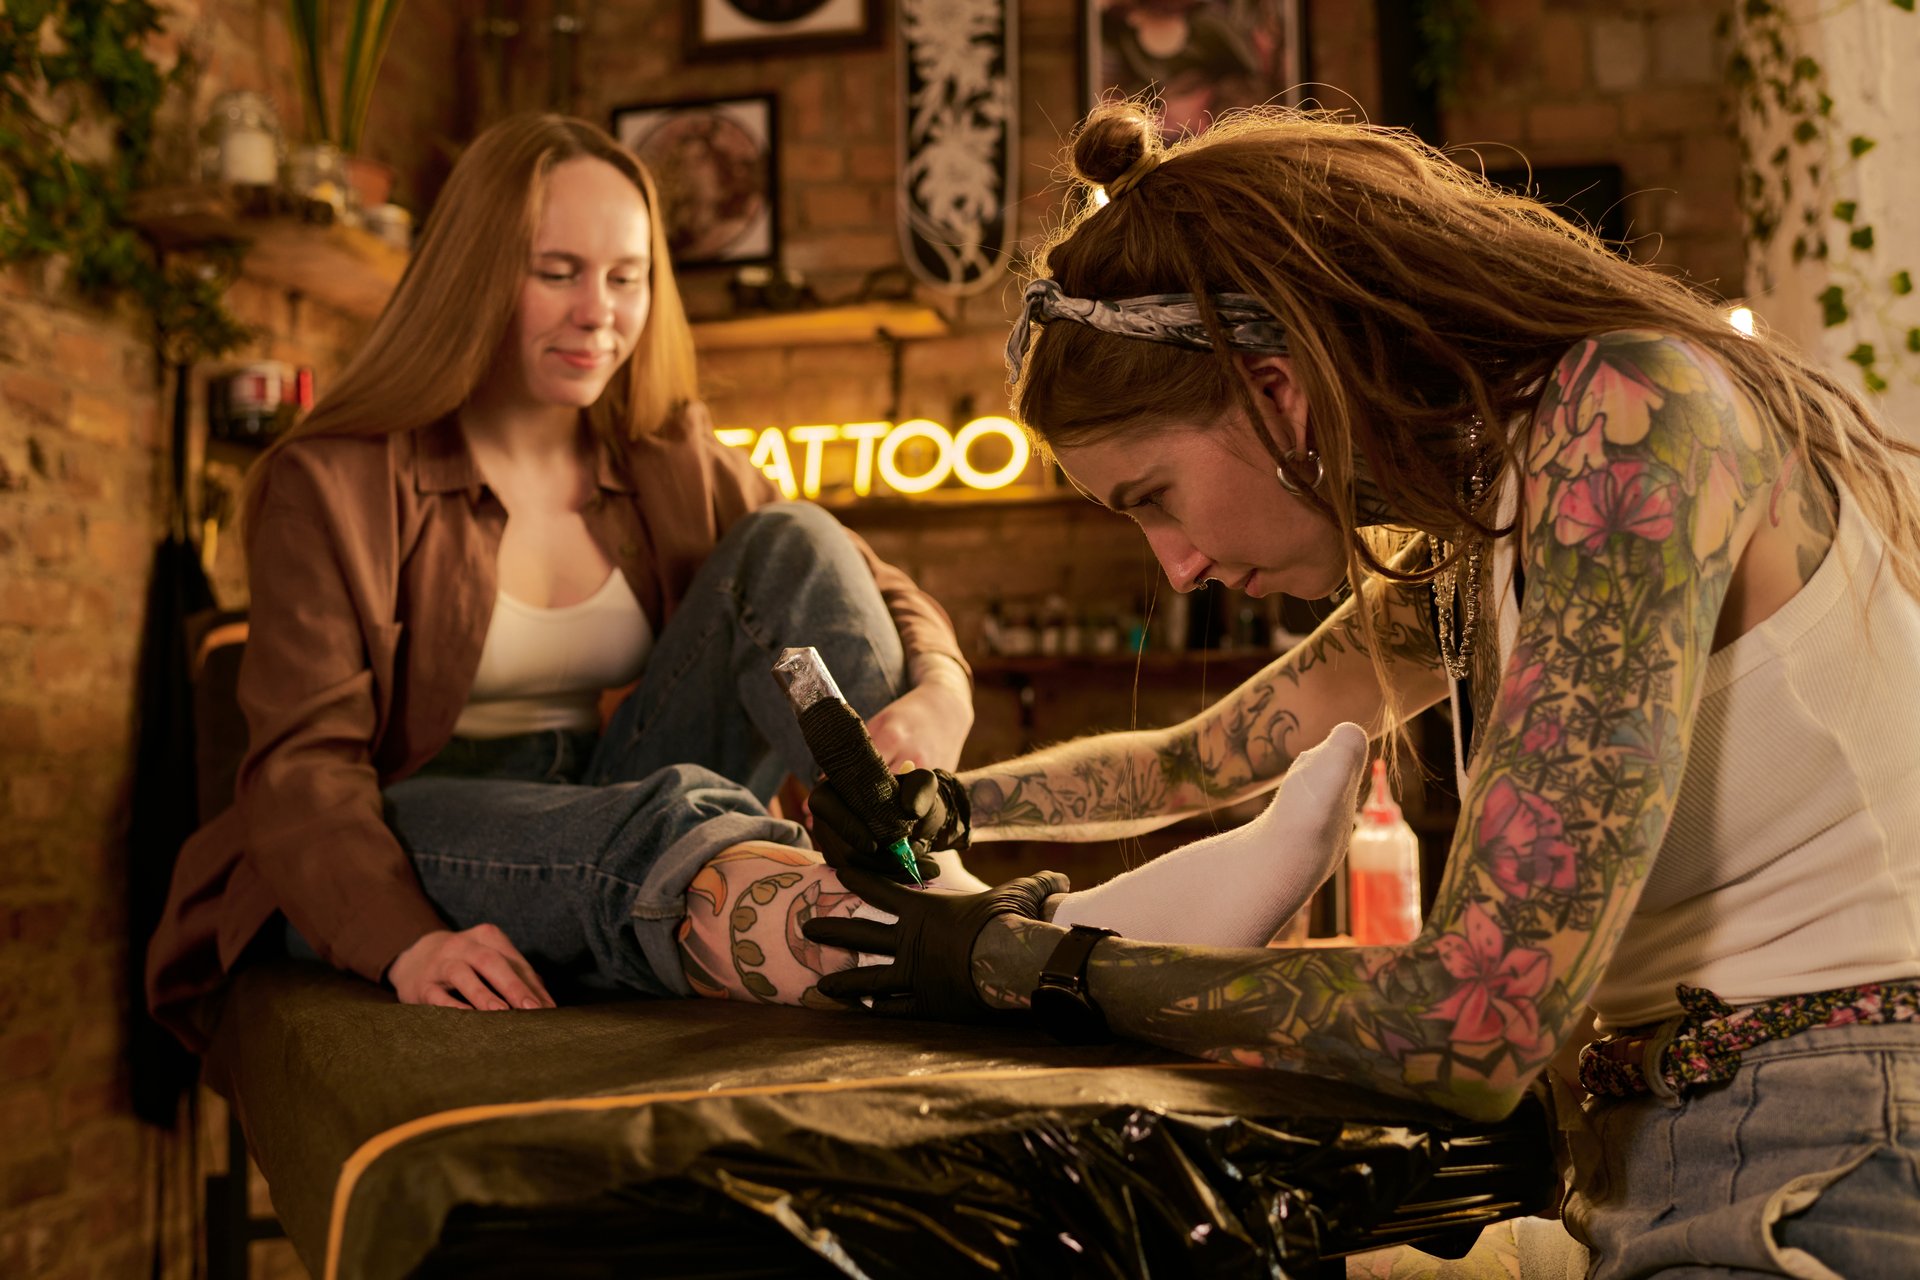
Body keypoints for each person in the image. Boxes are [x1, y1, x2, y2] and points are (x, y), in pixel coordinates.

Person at [803, 101, 1920, 1277]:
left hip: (1835, 1145)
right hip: (1688, 1143)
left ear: (1277, 392)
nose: (1175, 567)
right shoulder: (1491, 518)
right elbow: (1198, 758)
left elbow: (1476, 1018)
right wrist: (951, 802)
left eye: (1154, 497)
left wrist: (1026, 963)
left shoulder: (1625, 422)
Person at [143, 114, 1001, 1035]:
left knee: (794, 535)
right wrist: (407, 943)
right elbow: (303, 769)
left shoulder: (667, 458)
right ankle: (941, 940)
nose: (599, 313)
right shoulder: (332, 481)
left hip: (603, 788)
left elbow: (863, 579)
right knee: (666, 818)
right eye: (557, 273)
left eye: (626, 277)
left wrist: (942, 691)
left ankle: (930, 886)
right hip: (407, 828)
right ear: (475, 274)